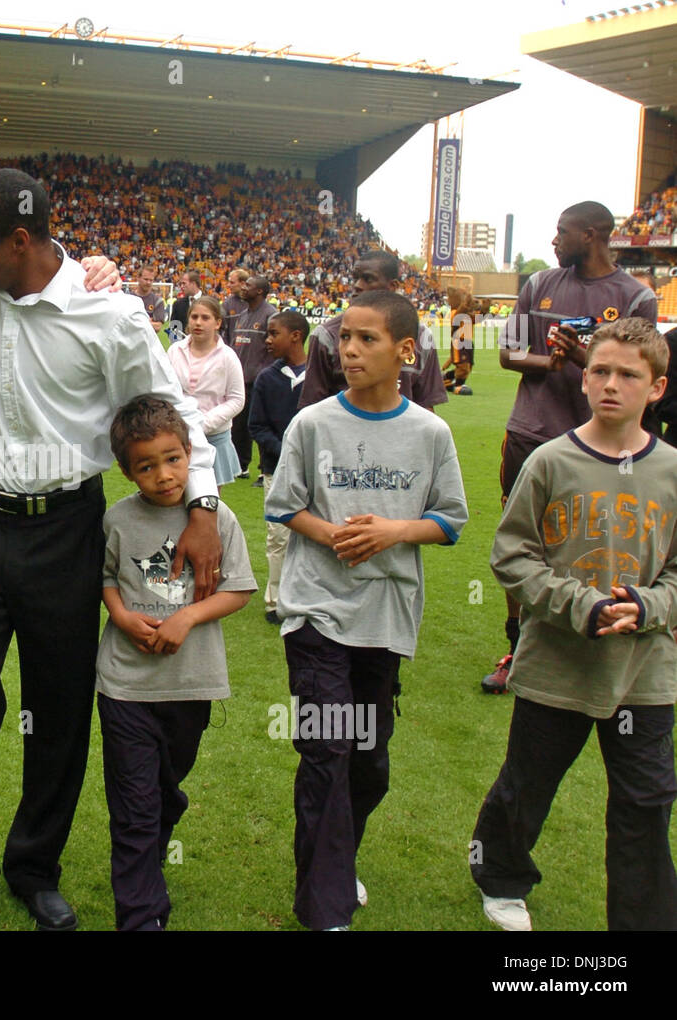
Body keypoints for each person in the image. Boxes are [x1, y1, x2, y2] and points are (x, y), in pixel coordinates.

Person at [0, 168, 223, 932]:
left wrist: (202, 504)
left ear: (21, 241)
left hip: (68, 529)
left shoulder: (112, 312)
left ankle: (35, 868)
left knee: (57, 709)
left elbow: (168, 412)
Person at [264, 290, 468, 930]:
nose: (348, 349)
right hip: (317, 611)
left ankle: (338, 854)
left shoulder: (430, 431)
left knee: (368, 763)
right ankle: (325, 909)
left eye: (366, 339)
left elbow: (451, 520)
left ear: (406, 351)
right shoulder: (313, 422)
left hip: (386, 618)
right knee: (326, 751)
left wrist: (393, 532)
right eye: (343, 337)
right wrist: (332, 535)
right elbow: (282, 505)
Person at [474, 317, 677, 932]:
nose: (612, 384)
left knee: (646, 801)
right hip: (556, 665)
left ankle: (643, 920)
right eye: (601, 371)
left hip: (645, 674)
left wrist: (648, 608)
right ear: (584, 378)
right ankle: (502, 877)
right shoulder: (549, 461)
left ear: (657, 388)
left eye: (629, 375)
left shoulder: (672, 469)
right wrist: (578, 605)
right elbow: (511, 555)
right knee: (528, 784)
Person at [482, 201, 658, 695]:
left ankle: (599, 639)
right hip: (531, 435)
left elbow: (638, 367)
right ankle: (516, 649)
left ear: (594, 234)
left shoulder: (634, 297)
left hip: (604, 444)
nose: (554, 242)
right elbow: (508, 352)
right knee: (523, 542)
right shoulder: (538, 285)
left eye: (563, 233)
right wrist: (550, 362)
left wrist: (587, 361)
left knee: (598, 538)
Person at [98, 395, 254, 930]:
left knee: (164, 788)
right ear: (126, 470)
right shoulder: (116, 518)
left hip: (191, 684)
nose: (163, 476)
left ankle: (167, 812)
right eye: (146, 466)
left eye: (172, 459)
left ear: (190, 454)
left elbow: (238, 591)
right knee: (133, 804)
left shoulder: (217, 518)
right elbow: (107, 578)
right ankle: (141, 915)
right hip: (123, 686)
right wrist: (120, 615)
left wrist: (188, 618)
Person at [298, 251, 447, 413]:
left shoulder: (421, 336)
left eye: (368, 279)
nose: (357, 285)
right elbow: (312, 406)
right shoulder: (326, 335)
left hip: (402, 437)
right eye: (355, 278)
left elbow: (426, 404)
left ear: (393, 286)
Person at [248, 310, 309, 624]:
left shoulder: (319, 377)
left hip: (316, 473)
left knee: (314, 535)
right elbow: (256, 426)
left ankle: (309, 598)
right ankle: (276, 601)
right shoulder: (267, 378)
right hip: (276, 469)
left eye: (274, 333)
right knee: (279, 536)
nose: (268, 340)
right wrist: (288, 452)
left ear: (295, 336)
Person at [167, 295, 245, 486]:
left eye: (205, 318)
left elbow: (236, 399)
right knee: (175, 496)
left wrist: (204, 424)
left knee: (208, 501)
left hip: (214, 437)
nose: (198, 323)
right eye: (194, 317)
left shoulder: (228, 356)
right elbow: (167, 390)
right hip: (179, 435)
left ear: (217, 322)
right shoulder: (175, 351)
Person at [225, 273, 279, 485]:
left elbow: (274, 349)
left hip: (260, 379)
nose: (243, 288)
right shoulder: (243, 314)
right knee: (239, 425)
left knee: (261, 424)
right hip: (241, 378)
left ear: (259, 291)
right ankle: (241, 466)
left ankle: (264, 469)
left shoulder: (270, 315)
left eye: (248, 285)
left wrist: (265, 373)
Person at [442, 286, 475, 396]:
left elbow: (477, 318)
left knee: (468, 366)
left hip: (468, 342)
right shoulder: (455, 312)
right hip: (459, 342)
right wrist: (465, 304)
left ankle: (445, 378)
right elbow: (458, 316)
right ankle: (458, 385)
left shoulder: (468, 315)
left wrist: (484, 310)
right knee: (463, 367)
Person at [168, 268, 203, 342]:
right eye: (180, 284)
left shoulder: (210, 302)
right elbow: (173, 329)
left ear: (193, 284)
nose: (181, 286)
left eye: (184, 283)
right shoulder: (178, 304)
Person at [133, 265, 166, 336]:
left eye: (151, 280)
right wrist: (148, 323)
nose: (148, 282)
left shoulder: (157, 301)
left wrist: (134, 322)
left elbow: (158, 327)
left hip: (148, 344)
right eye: (146, 279)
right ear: (138, 278)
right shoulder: (128, 298)